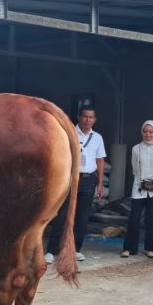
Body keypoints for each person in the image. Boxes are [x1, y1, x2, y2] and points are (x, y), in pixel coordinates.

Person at [45, 106, 105, 264]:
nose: (88, 120)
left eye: (91, 117)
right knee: (62, 215)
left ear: (95, 120)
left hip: (88, 180)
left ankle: (76, 249)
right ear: (79, 117)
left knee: (83, 217)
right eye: (85, 117)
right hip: (70, 179)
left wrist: (99, 184)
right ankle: (51, 251)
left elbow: (100, 161)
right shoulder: (68, 132)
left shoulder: (97, 137)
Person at [122, 120, 153, 259]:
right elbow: (134, 167)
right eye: (145, 131)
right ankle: (129, 248)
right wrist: (143, 181)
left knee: (152, 218)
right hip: (139, 186)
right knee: (134, 218)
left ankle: (150, 248)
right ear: (142, 132)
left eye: (151, 132)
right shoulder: (136, 148)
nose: (148, 134)